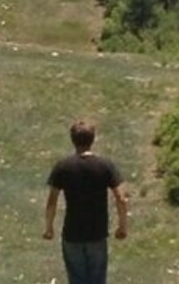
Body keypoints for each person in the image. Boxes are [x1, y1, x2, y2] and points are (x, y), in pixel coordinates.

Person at [42, 120, 130, 284]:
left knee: (76, 278)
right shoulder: (105, 166)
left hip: (72, 234)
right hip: (97, 233)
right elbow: (121, 198)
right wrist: (122, 227)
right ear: (93, 139)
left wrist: (49, 228)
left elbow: (52, 201)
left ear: (72, 140)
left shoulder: (63, 167)